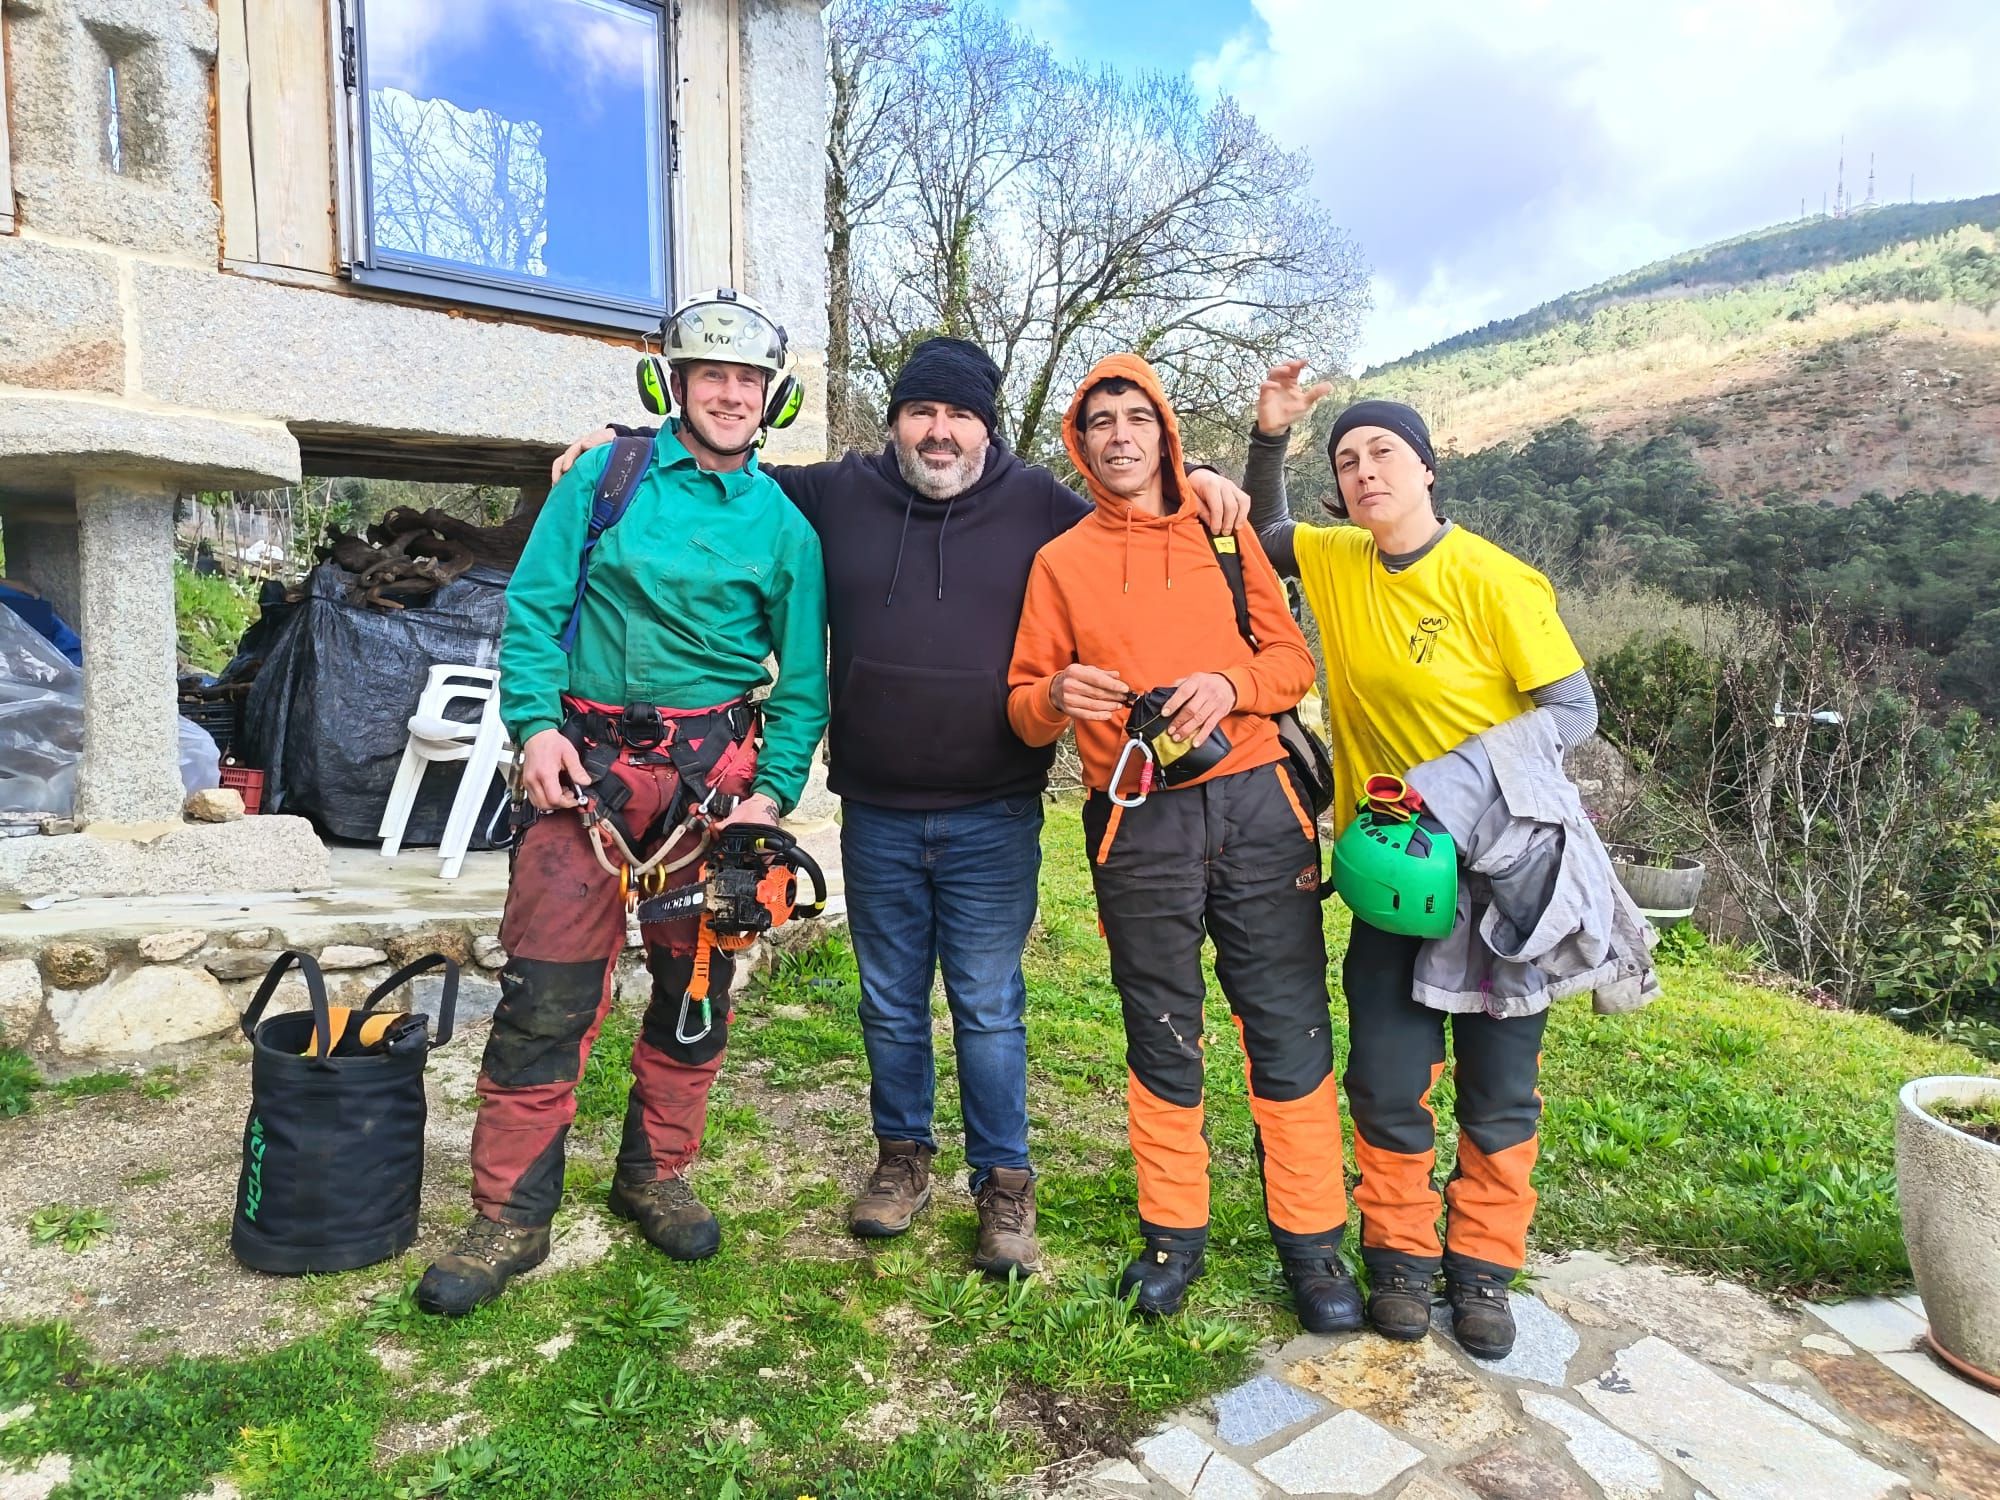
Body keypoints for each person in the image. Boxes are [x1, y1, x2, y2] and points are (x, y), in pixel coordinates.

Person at [548, 339, 1252, 1279]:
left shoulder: (1042, 504)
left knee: (990, 1006)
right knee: (887, 1000)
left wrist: (1196, 473)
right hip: (875, 808)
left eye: (960, 414)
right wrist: (626, 438)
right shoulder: (837, 493)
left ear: (987, 425)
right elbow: (724, 456)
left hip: (994, 812)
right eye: (922, 411)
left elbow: (1135, 518)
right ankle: (902, 1159)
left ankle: (1004, 1184)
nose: (940, 430)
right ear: (895, 420)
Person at [416, 289, 829, 1316]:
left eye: (747, 381)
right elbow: (534, 609)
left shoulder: (785, 528)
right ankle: (508, 1216)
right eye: (710, 376)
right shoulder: (602, 478)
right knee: (545, 998)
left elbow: (806, 683)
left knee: (696, 994)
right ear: (673, 383)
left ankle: (654, 1172)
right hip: (584, 768)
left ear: (771, 398)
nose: (729, 395)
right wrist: (535, 728)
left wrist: (767, 795)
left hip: (711, 789)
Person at [1243, 363, 1604, 1359]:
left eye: (1382, 453)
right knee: (1387, 1078)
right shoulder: (1338, 559)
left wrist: (1454, 779)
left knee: (1497, 1087)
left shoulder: (1493, 580)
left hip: (1499, 873)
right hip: (1390, 874)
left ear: (1426, 469)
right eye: (1346, 459)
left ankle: (1481, 1267)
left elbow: (1573, 712)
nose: (1363, 472)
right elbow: (1258, 539)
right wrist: (1270, 435)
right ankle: (1398, 1256)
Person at [1004, 353, 1363, 1332]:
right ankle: (1172, 1238)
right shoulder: (1058, 562)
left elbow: (1290, 662)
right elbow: (1023, 708)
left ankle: (1313, 1245)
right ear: (1079, 446)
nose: (1119, 435)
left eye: (1135, 417)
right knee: (1160, 1029)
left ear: (1163, 432)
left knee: (1285, 1023)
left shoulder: (1220, 531)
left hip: (1256, 807)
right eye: (1099, 423)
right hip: (1136, 817)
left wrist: (1228, 686)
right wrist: (1052, 697)